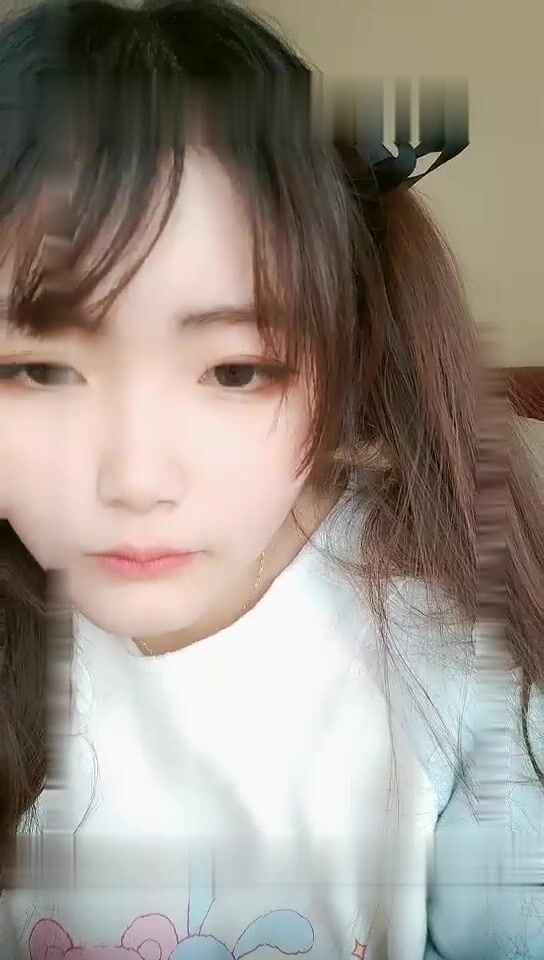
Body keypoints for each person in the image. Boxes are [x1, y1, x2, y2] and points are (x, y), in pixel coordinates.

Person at [0, 1, 542, 958]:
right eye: (40, 370)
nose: (135, 479)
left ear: (344, 364)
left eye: (234, 371)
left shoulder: (457, 675)